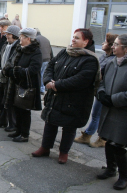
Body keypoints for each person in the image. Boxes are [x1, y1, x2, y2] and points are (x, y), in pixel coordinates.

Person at [32, 28, 100, 164]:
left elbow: (80, 80)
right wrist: (47, 81)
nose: (73, 39)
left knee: (69, 127)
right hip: (55, 97)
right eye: (73, 37)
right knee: (50, 123)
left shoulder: (90, 60)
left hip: (74, 101)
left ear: (86, 42)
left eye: (77, 38)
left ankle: (63, 153)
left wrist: (57, 84)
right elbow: (50, 65)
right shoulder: (65, 52)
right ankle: (45, 148)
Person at [96, 34, 127, 190]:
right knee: (107, 139)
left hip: (124, 112)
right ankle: (110, 168)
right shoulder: (113, 61)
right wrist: (101, 93)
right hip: (108, 109)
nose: (112, 46)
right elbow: (102, 81)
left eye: (116, 44)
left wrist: (113, 99)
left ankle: (124, 176)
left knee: (118, 144)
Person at [74, 33, 118, 147]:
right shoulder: (104, 56)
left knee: (98, 115)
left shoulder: (112, 59)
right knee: (97, 114)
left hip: (105, 91)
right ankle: (95, 136)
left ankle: (96, 137)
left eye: (106, 42)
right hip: (99, 89)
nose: (103, 43)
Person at [2, 28, 42, 142]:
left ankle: (24, 134)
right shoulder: (20, 48)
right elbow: (10, 63)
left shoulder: (36, 51)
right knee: (17, 109)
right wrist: (10, 70)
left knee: (24, 111)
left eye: (21, 37)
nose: (19, 39)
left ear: (28, 38)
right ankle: (18, 130)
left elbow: (33, 69)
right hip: (16, 84)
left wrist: (15, 71)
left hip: (26, 86)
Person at [0, 25, 20, 129]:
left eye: (8, 34)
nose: (6, 35)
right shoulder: (5, 45)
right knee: (2, 100)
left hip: (10, 78)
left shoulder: (17, 48)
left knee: (10, 102)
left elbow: (12, 63)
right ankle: (2, 121)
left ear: (14, 35)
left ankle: (12, 124)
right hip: (2, 76)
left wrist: (3, 72)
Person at [35, 28, 52, 95]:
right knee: (43, 74)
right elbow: (50, 50)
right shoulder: (46, 39)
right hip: (47, 59)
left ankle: (39, 88)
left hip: (41, 59)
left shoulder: (36, 39)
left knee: (39, 74)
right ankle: (42, 89)